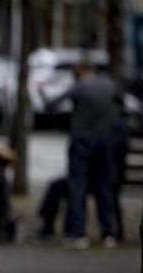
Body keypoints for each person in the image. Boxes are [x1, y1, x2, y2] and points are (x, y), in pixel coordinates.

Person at [40, 61, 122, 249]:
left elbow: (53, 104)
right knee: (104, 188)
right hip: (105, 142)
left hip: (82, 141)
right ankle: (109, 232)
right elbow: (121, 104)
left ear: (80, 72)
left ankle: (77, 233)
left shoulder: (80, 87)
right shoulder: (109, 85)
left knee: (77, 186)